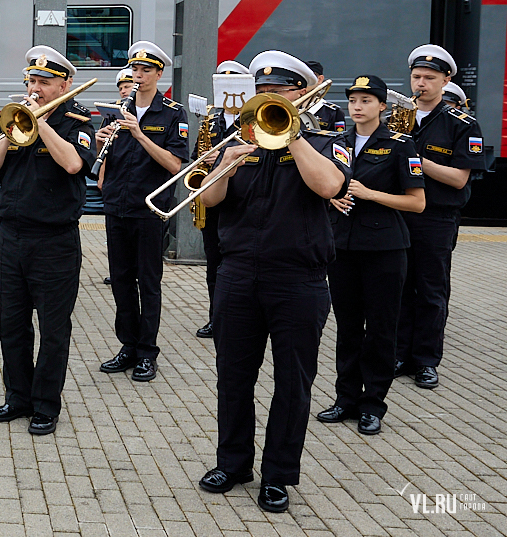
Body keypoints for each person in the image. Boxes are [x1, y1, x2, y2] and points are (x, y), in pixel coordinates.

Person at [196, 50, 350, 515]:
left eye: (277, 92)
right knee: (233, 375)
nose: (267, 98)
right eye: (261, 92)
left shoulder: (325, 141)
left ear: (301, 94)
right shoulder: (236, 141)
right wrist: (227, 163)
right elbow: (209, 201)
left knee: (293, 382)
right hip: (239, 272)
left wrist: (291, 135)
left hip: (298, 278)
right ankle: (234, 462)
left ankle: (279, 475)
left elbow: (330, 187)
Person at [0, 46, 96, 436]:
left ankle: (46, 404)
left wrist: (39, 122)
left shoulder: (77, 121)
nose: (36, 88)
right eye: (31, 81)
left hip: (54, 241)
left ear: (65, 84)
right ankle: (18, 397)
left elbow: (74, 164)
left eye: (44, 83)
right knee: (10, 323)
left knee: (52, 328)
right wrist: (9, 131)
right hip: (10, 236)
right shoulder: (14, 121)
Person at [316, 75, 425, 437]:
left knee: (380, 329)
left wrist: (370, 194)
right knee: (347, 328)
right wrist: (331, 197)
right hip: (343, 247)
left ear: (382, 106)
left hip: (384, 250)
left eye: (366, 100)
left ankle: (372, 404)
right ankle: (345, 399)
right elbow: (321, 186)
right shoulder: (337, 142)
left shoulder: (399, 145)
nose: (357, 107)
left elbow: (417, 202)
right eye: (353, 100)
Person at [97, 42, 188, 383]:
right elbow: (106, 152)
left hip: (149, 207)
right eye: (135, 70)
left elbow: (175, 163)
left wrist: (138, 133)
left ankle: (147, 352)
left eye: (146, 71)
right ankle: (127, 346)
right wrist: (100, 142)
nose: (138, 76)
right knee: (120, 280)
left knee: (148, 282)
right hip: (118, 204)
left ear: (159, 74)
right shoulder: (119, 108)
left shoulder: (173, 114)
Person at [397, 44, 483, 390]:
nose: (421, 84)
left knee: (431, 290)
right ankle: (400, 354)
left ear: (446, 81)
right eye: (416, 77)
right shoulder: (395, 118)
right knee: (399, 287)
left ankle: (427, 361)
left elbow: (459, 178)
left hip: (435, 217)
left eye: (430, 78)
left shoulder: (461, 123)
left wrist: (415, 158)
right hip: (400, 212)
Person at [195, 59, 249, 339]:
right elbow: (195, 158)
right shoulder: (211, 120)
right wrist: (206, 159)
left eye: (234, 85)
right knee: (214, 264)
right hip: (214, 203)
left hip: (242, 203)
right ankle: (215, 317)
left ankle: (237, 319)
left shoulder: (255, 120)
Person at [100, 66, 135, 286]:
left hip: (137, 184)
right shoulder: (112, 112)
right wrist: (101, 177)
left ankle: (136, 271)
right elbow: (105, 150)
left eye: (127, 86)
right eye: (121, 87)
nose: (124, 91)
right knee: (116, 237)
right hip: (115, 181)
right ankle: (118, 272)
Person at [305, 60, 346, 133]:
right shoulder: (289, 108)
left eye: (308, 77)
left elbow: (339, 139)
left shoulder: (333, 112)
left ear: (319, 79)